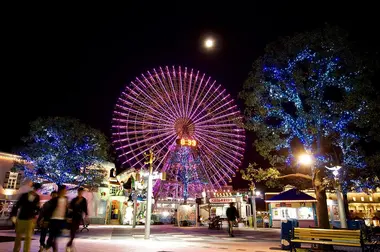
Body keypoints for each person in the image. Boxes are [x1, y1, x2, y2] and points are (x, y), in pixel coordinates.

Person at [11, 182, 42, 252]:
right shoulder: (24, 195)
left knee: (28, 237)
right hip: (22, 218)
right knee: (18, 237)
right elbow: (17, 205)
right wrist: (13, 215)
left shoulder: (37, 197)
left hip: (30, 219)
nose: (35, 191)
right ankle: (16, 250)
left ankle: (26, 250)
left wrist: (36, 214)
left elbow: (37, 208)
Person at [45, 185, 68, 252]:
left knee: (56, 236)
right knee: (52, 235)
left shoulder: (66, 199)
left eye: (65, 190)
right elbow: (49, 210)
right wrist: (46, 220)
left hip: (61, 220)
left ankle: (50, 246)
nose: (65, 191)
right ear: (61, 191)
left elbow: (66, 209)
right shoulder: (55, 199)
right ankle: (49, 246)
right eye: (64, 190)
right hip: (54, 219)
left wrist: (66, 218)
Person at [66, 187, 88, 251]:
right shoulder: (74, 199)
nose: (80, 193)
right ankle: (69, 245)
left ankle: (70, 244)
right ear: (78, 192)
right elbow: (70, 208)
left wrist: (86, 216)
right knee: (73, 231)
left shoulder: (84, 200)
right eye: (79, 191)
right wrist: (68, 217)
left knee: (74, 231)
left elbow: (85, 208)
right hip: (73, 217)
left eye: (81, 192)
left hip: (78, 217)